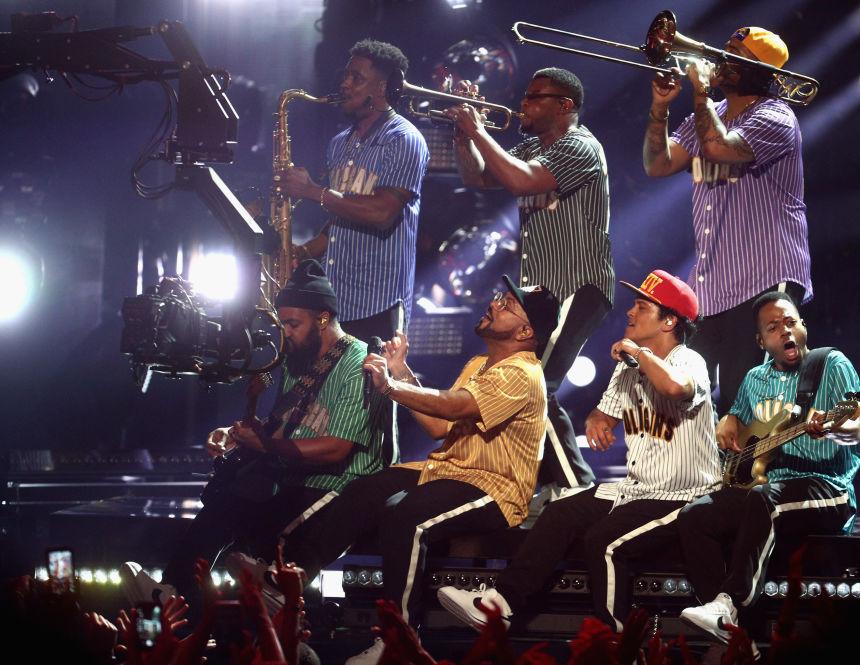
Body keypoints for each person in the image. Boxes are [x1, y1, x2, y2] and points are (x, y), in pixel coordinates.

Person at [265, 275, 559, 665]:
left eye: (508, 305)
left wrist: (389, 387)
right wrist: (401, 373)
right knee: (367, 488)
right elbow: (440, 427)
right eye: (500, 297)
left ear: (526, 331)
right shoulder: (480, 364)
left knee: (408, 519)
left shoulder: (522, 373)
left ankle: (399, 640)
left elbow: (455, 407)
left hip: (494, 486)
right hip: (449, 468)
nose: (495, 304)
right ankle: (296, 578)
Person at [437, 270, 720, 632]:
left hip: (685, 496)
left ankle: (617, 641)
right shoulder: (628, 366)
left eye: (641, 306)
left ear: (669, 321)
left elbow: (674, 388)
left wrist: (637, 352)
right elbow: (602, 415)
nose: (630, 313)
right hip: (638, 489)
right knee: (560, 512)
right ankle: (499, 606)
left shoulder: (688, 360)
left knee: (601, 541)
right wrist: (597, 421)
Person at [119, 260, 391, 615]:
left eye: (293, 324)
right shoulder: (298, 361)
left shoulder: (358, 362)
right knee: (226, 500)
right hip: (295, 472)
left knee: (260, 531)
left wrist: (265, 445)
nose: (286, 333)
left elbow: (337, 448)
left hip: (338, 482)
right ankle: (173, 589)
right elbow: (286, 426)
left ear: (323, 319)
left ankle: (276, 591)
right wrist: (241, 435)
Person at [447, 67, 615, 498]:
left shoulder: (579, 145)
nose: (522, 104)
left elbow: (522, 181)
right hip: (542, 291)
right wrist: (466, 136)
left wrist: (479, 129)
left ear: (565, 107)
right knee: (524, 388)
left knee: (538, 386)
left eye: (534, 97)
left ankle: (579, 489)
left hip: (578, 282)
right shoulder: (532, 146)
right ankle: (541, 483)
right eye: (524, 96)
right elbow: (477, 176)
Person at [674, 291, 860, 644]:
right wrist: (729, 420)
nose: (785, 331)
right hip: (765, 490)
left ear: (803, 327)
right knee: (694, 516)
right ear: (760, 340)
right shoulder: (754, 379)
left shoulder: (832, 364)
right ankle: (733, 641)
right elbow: (741, 432)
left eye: (791, 322)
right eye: (774, 327)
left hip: (827, 488)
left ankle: (728, 604)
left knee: (766, 499)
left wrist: (834, 425)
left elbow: (855, 426)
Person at [643, 27, 811, 411]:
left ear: (760, 71)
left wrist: (700, 91)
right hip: (712, 287)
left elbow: (719, 149)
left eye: (736, 54)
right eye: (726, 49)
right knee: (695, 402)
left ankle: (760, 473)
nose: (722, 58)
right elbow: (657, 164)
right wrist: (660, 108)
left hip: (763, 277)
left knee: (750, 399)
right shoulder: (710, 114)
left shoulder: (776, 116)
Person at [277, 38, 429, 345]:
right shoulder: (339, 143)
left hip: (379, 304)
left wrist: (313, 191)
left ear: (384, 88)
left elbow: (382, 212)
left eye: (356, 78)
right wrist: (305, 251)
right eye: (346, 76)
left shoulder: (404, 139)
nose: (345, 84)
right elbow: (342, 216)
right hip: (334, 301)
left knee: (369, 393)